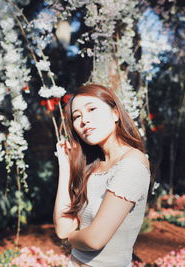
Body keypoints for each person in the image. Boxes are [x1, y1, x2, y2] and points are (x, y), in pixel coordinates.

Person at [53, 84, 151, 267]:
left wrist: (69, 238)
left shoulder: (132, 165)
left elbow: (94, 239)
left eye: (92, 109)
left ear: (115, 113)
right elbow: (62, 227)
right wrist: (65, 167)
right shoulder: (92, 166)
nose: (84, 120)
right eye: (77, 116)